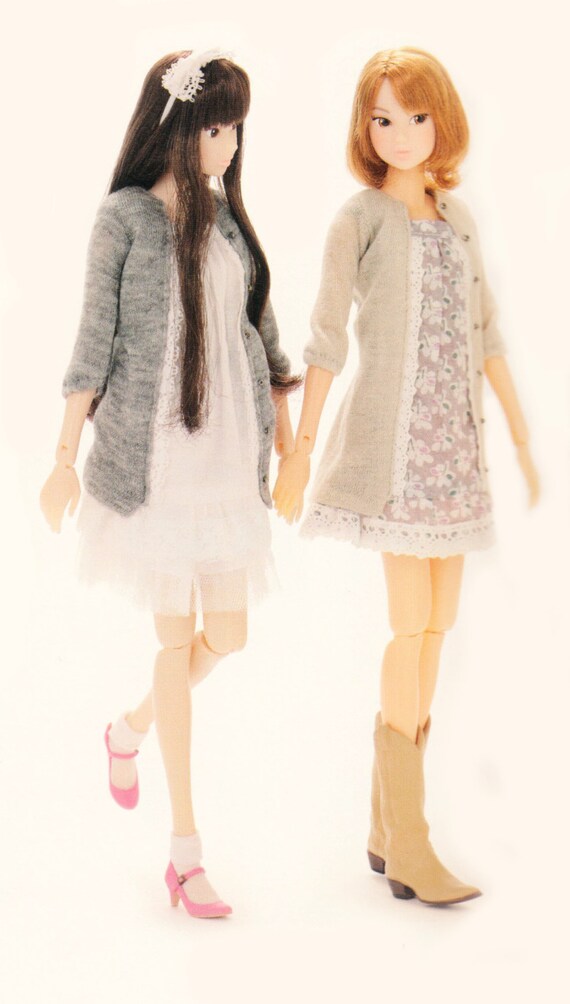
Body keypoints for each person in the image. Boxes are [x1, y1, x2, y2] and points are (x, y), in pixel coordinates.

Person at [273, 47, 539, 906]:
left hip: (453, 455)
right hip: (392, 458)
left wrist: (521, 432)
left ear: (442, 121)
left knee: (438, 630)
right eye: (383, 119)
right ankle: (412, 840)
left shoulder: (457, 220)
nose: (400, 134)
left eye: (416, 117)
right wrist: (301, 448)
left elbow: (487, 331)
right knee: (408, 627)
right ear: (365, 127)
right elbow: (324, 339)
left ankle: (387, 829)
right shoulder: (359, 219)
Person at [40, 49, 297, 920]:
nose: (228, 146)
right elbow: (93, 342)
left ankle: (128, 728)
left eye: (235, 130)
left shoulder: (226, 222)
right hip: (157, 461)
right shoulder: (123, 219)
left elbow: (263, 336)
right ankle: (185, 855)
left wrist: (290, 447)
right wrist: (62, 459)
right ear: (177, 127)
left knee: (229, 636)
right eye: (215, 128)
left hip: (228, 455)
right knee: (173, 638)